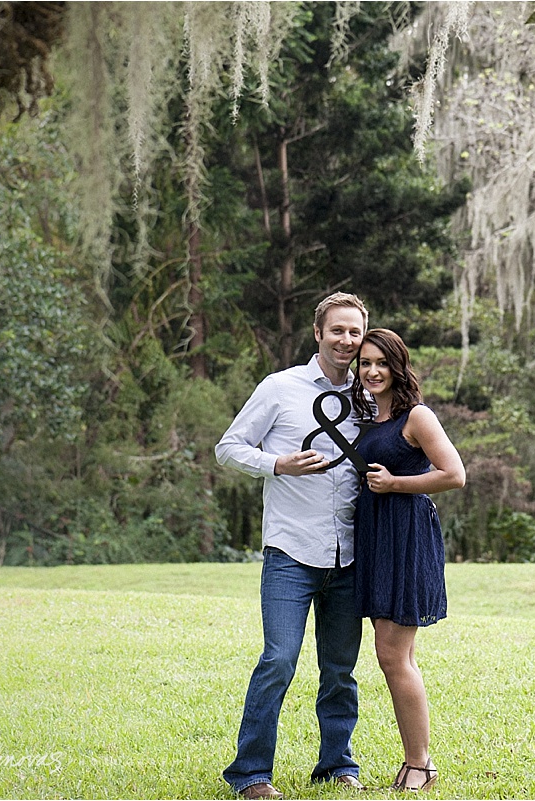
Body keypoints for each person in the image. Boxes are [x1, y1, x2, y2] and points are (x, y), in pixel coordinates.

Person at [216, 292, 370, 800]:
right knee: (279, 660)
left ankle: (337, 766)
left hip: (350, 554)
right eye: (337, 331)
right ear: (318, 332)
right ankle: (251, 775)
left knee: (340, 670)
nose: (346, 341)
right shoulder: (279, 388)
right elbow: (228, 447)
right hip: (290, 552)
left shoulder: (371, 393)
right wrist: (277, 464)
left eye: (355, 332)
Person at [349, 328, 466, 793]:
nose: (372, 371)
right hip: (377, 539)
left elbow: (454, 474)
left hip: (407, 536)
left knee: (392, 654)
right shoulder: (367, 418)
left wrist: (396, 483)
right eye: (364, 363)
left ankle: (420, 764)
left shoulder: (417, 416)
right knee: (398, 655)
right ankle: (416, 761)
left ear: (398, 366)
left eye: (381, 363)